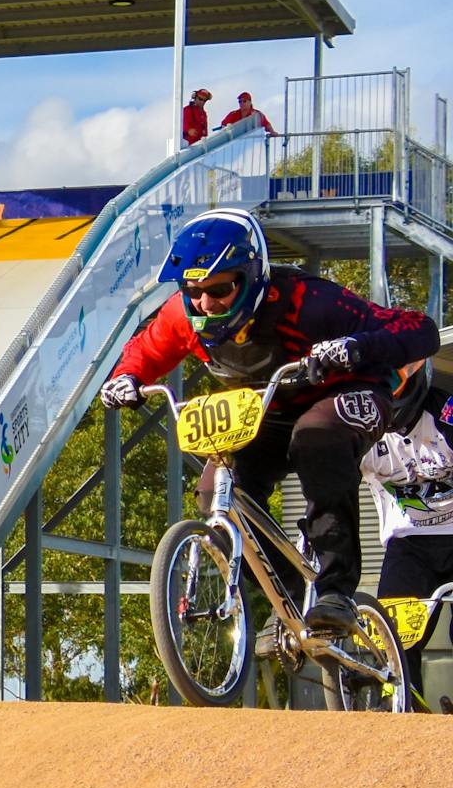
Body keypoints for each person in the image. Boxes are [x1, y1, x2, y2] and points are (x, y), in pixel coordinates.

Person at [99, 208, 438, 634]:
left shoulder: (310, 302)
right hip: (270, 409)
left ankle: (336, 591)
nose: (206, 303)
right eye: (194, 290)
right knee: (217, 489)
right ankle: (291, 591)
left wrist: (355, 345)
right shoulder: (181, 316)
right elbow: (146, 351)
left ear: (251, 278)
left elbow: (418, 329)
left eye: (220, 290)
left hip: (349, 393)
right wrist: (125, 379)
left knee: (317, 439)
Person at [359, 369, 453, 707]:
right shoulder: (359, 428)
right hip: (409, 541)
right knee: (396, 638)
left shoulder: (445, 413)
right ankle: (399, 703)